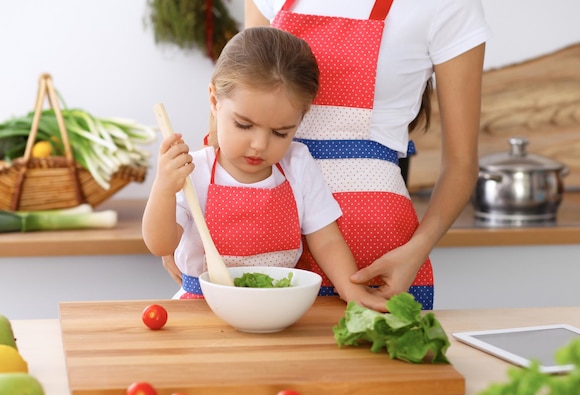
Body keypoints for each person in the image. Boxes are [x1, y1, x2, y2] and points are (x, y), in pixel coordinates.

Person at [243, 0, 493, 310]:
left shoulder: (449, 6)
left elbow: (461, 163)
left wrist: (415, 252)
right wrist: (192, 217)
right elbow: (236, 102)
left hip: (372, 252)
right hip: (261, 229)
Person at [142, 27, 388, 311]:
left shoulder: (298, 163)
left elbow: (326, 239)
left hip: (279, 307)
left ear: (300, 119)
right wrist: (163, 188)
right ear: (214, 100)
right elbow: (161, 245)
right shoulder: (194, 170)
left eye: (281, 132)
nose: (259, 145)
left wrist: (350, 289)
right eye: (244, 125)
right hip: (203, 308)